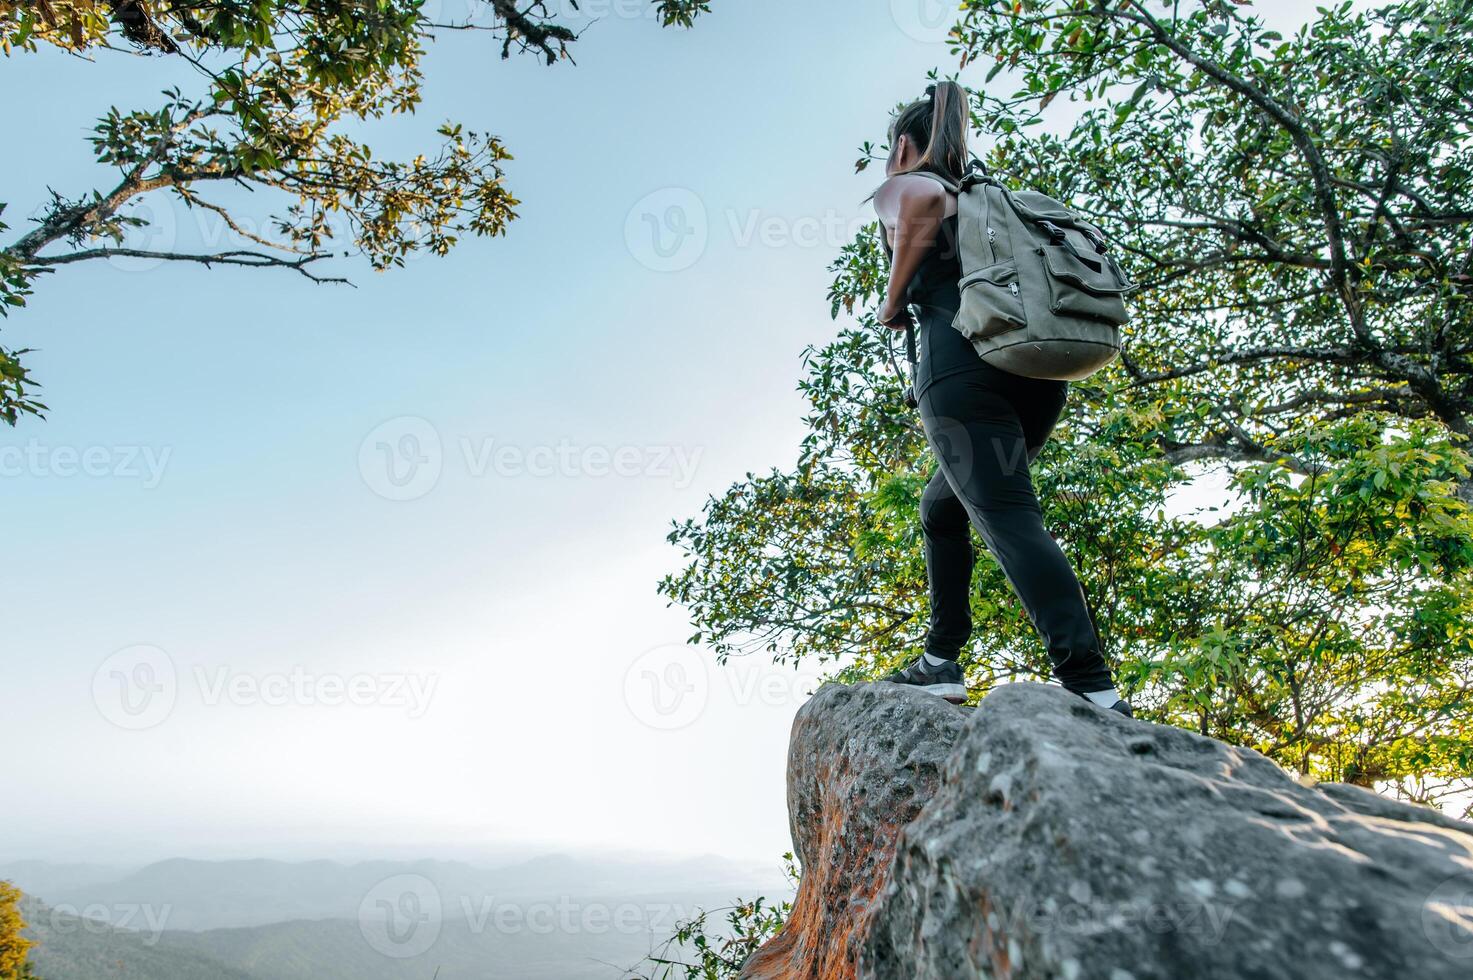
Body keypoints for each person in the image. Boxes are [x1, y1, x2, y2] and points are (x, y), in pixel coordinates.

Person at [870, 81, 1132, 717]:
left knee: (1010, 518)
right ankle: (940, 660)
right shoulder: (989, 201)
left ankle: (1092, 686)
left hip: (962, 372)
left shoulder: (912, 182)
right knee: (942, 508)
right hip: (1035, 375)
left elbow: (922, 198)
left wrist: (893, 296)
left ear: (904, 145)